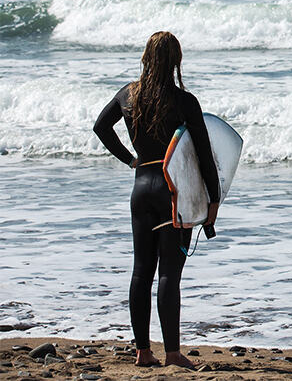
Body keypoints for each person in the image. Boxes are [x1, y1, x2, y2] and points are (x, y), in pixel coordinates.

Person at [93, 31, 219, 369]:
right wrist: (213, 199)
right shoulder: (184, 102)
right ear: (176, 61)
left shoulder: (128, 94)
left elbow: (100, 128)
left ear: (146, 58)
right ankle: (174, 354)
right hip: (172, 193)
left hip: (141, 190)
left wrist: (129, 159)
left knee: (141, 272)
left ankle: (143, 351)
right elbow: (204, 156)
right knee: (169, 275)